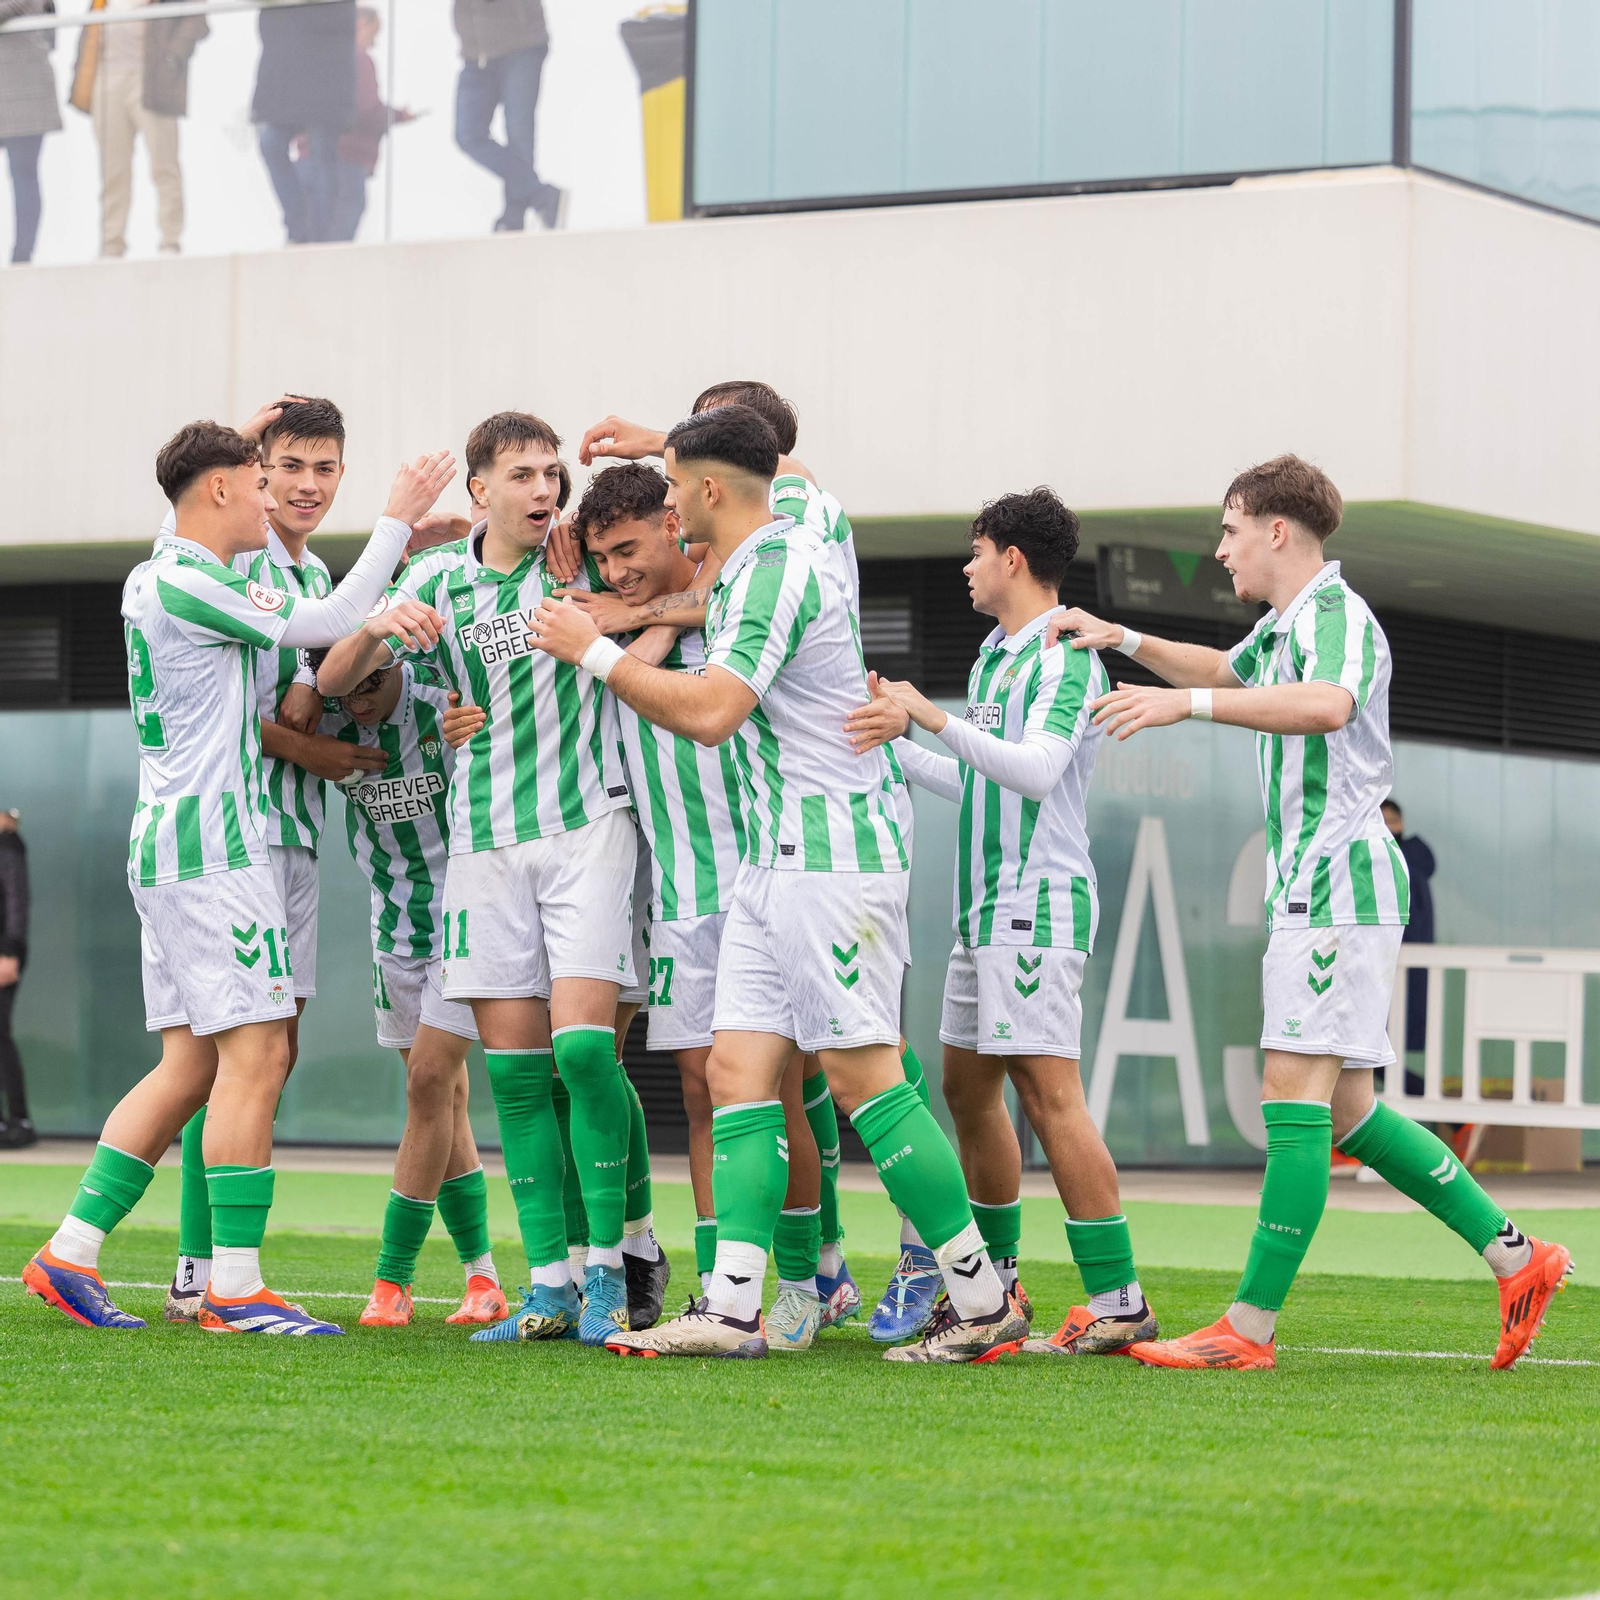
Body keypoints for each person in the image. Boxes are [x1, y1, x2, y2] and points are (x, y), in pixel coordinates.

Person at [1052, 453, 1569, 1372]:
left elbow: (1326, 706)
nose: (1221, 551)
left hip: (1336, 883)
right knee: (1351, 1113)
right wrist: (1117, 633)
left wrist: (1188, 709)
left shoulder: (1337, 617)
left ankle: (1246, 1330)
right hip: (1322, 884)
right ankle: (1519, 1259)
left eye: (1229, 529)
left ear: (1275, 530)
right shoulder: (1292, 621)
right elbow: (1223, 664)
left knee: (1294, 1098)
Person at [530, 405, 1025, 1363]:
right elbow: (774, 459)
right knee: (737, 1073)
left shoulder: (776, 564)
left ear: (710, 491)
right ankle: (733, 1307)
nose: (669, 506)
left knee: (860, 1073)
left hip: (831, 857)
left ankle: (979, 1293)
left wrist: (590, 648)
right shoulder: (761, 546)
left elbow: (714, 711)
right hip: (771, 862)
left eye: (674, 487)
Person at [23, 420, 453, 1334]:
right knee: (257, 1054)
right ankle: (232, 1286)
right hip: (215, 848)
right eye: (260, 481)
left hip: (174, 843)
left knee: (189, 1066)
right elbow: (332, 625)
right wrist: (396, 522)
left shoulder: (163, 575)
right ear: (219, 489)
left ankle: (70, 1250)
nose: (275, 496)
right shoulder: (187, 579)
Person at [317, 411, 641, 1350]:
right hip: (484, 846)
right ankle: (548, 1289)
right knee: (515, 1076)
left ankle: (618, 1266)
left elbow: (683, 583)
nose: (546, 490)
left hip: (587, 828)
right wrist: (380, 625)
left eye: (552, 474)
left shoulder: (577, 561)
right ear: (480, 492)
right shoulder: (437, 581)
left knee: (585, 1055)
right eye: (525, 476)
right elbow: (338, 680)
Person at [845, 487, 1159, 1358]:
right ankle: (998, 1287)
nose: (967, 567)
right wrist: (897, 743)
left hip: (1039, 909)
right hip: (985, 913)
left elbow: (1034, 771)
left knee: (1049, 1096)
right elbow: (980, 778)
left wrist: (929, 716)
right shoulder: (994, 657)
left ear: (1013, 560)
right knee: (966, 1090)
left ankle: (1119, 1299)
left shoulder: (1064, 659)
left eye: (977, 551)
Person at [160, 396, 383, 1322]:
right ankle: (206, 1271)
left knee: (265, 1052)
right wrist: (310, 746)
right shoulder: (236, 556)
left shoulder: (315, 567)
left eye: (324, 469)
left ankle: (204, 1273)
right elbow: (215, 715)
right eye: (285, 466)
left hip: (286, 833)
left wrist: (347, 695)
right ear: (251, 474)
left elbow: (322, 686)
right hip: (231, 835)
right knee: (238, 1054)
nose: (303, 485)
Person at [302, 648, 506, 1329]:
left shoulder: (440, 700)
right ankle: (483, 1278)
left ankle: (393, 1281)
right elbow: (256, 724)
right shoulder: (325, 716)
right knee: (440, 1100)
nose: (359, 703)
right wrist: (310, 736)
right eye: (346, 690)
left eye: (373, 685)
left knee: (426, 1085)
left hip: (468, 914)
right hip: (391, 923)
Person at [70, 0, 207, 259]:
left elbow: (197, 17)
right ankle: (111, 243)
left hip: (152, 81)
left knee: (164, 165)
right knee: (112, 170)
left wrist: (173, 56)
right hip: (107, 81)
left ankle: (170, 240)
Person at [452, 0, 566, 234]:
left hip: (521, 44)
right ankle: (540, 194)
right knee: (468, 135)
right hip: (476, 55)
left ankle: (514, 217)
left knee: (519, 133)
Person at [253, 0, 356, 246]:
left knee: (321, 155)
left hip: (325, 68)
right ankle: (299, 230)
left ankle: (319, 239)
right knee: (270, 144)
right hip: (285, 72)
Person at [329, 6, 414, 243]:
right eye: (374, 33)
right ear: (360, 25)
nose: (374, 42)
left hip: (314, 158)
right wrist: (399, 116)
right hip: (347, 158)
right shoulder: (358, 58)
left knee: (314, 238)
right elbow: (367, 110)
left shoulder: (322, 58)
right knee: (336, 245)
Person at [0, 0, 61, 266]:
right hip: (14, 90)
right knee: (23, 175)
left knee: (23, 174)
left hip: (26, 96)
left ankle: (22, 256)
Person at [1382, 798, 1435, 1058]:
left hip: (1407, 958)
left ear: (1400, 824)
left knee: (1394, 1037)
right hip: (1383, 962)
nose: (1386, 829)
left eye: (1390, 822)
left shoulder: (1410, 859)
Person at [0, 807, 32, 1146]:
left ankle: (19, 1120)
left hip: (3, 955)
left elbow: (17, 900)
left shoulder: (8, 845)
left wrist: (9, 953)